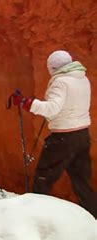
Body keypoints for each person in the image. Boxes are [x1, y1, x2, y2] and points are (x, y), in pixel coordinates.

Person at [12, 50, 97, 217]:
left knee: (44, 178)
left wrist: (26, 103)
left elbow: (52, 108)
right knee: (82, 181)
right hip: (82, 135)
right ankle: (93, 216)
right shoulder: (82, 79)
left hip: (63, 137)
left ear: (53, 67)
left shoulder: (61, 82)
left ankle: (35, 216)